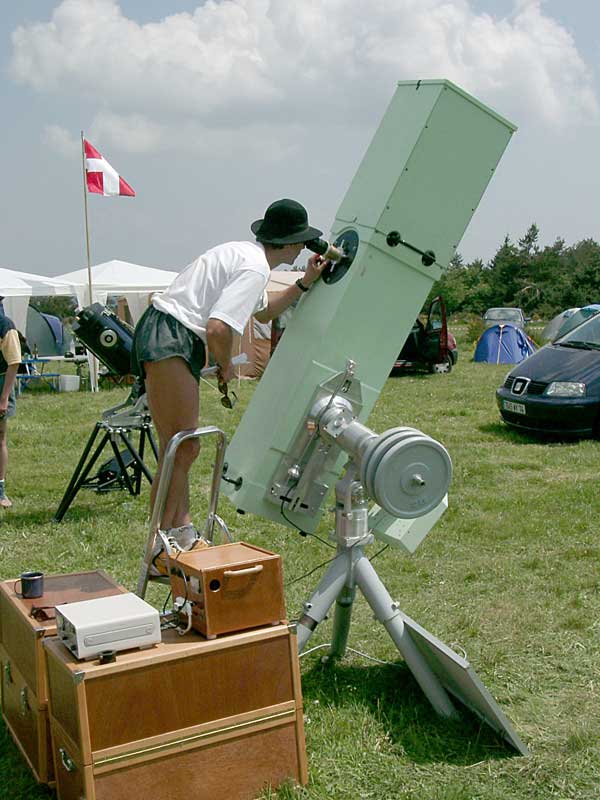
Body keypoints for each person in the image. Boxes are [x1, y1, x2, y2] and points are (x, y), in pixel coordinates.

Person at [132, 198, 327, 571]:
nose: (304, 247)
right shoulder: (254, 267)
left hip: (166, 333)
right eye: (302, 240)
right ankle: (159, 546)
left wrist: (304, 282)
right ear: (290, 243)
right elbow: (218, 328)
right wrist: (225, 366)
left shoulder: (247, 258)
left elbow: (264, 311)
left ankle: (181, 533)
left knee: (181, 448)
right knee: (181, 448)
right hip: (171, 337)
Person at [0, 301, 22, 509]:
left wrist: (4, 397)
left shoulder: (5, 325)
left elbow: (13, 362)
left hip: (0, 384)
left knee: (0, 439)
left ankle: (0, 490)